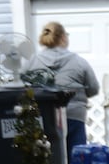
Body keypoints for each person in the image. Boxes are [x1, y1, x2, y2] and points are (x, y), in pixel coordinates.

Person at [23, 21, 100, 155]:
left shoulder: (32, 62)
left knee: (47, 158)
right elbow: (93, 89)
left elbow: (22, 86)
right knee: (76, 158)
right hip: (74, 116)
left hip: (44, 116)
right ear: (63, 37)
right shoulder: (79, 61)